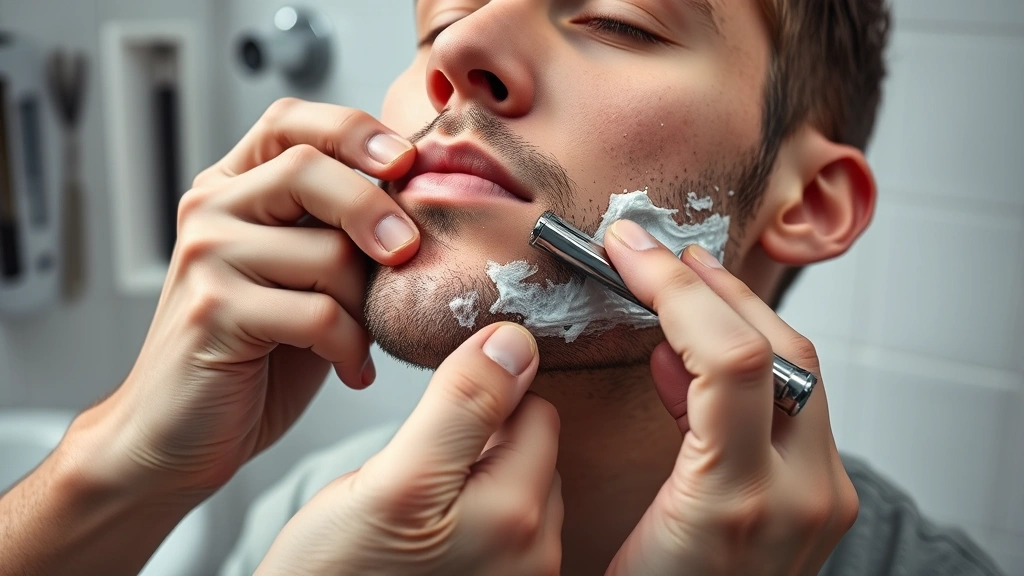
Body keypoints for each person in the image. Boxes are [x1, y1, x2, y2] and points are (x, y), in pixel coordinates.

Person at [0, 0, 1005, 574]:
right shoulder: (311, 513)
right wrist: (114, 461)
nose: (457, 52)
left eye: (616, 18)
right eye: (437, 17)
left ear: (810, 203)